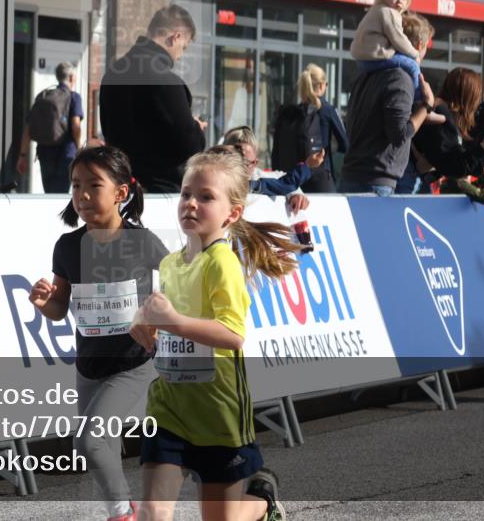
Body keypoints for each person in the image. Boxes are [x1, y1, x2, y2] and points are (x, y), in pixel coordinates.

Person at [130, 146, 297, 521]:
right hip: (169, 407)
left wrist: (173, 321)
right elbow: (168, 324)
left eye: (206, 197)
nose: (191, 203)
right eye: (187, 193)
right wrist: (145, 325)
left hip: (218, 413)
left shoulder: (223, 263)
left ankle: (263, 504)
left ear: (232, 213)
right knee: (152, 514)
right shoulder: (170, 263)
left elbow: (232, 334)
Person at [28, 146, 169, 521]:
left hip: (133, 362)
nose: (83, 195)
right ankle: (127, 506)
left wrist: (157, 315)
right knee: (95, 441)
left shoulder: (143, 242)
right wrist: (45, 303)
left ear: (121, 193)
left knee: (89, 440)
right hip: (89, 365)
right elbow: (59, 308)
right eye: (76, 186)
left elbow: (179, 286)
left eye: (94, 185)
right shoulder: (69, 246)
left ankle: (122, 513)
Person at [99, 4, 207, 193]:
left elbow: (108, 131)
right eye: (184, 48)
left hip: (120, 188)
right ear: (176, 37)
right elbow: (188, 144)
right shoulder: (166, 80)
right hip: (160, 191)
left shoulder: (112, 74)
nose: (180, 56)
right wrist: (195, 127)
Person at [340, 13, 438, 196]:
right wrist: (426, 106)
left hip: (354, 176)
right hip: (375, 183)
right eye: (426, 47)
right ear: (418, 46)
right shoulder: (400, 78)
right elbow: (400, 135)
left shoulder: (367, 74)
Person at [413, 67, 484, 186]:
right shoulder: (442, 114)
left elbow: (467, 163)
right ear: (467, 96)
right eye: (476, 96)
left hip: (417, 182)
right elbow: (457, 167)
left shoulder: (446, 114)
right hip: (413, 182)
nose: (477, 103)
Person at [350, 0, 423, 101]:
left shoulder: (376, 10)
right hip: (375, 58)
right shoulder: (388, 12)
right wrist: (415, 53)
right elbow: (398, 39)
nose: (399, 0)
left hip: (363, 61)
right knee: (412, 65)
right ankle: (418, 103)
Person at [17, 62, 84, 193]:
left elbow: (28, 130)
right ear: (71, 78)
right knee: (60, 197)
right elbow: (76, 127)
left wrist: (22, 155)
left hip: (44, 153)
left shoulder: (43, 96)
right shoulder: (74, 97)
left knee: (48, 193)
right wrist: (80, 149)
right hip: (66, 155)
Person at [222, 126, 318, 212]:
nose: (240, 167)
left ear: (255, 163)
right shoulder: (214, 178)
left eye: (246, 163)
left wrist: (294, 194)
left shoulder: (256, 180)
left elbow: (282, 183)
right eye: (234, 160)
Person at [296, 64, 346, 191]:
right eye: (326, 84)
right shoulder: (328, 110)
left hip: (297, 177)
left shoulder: (296, 111)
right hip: (321, 177)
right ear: (321, 85)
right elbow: (345, 144)